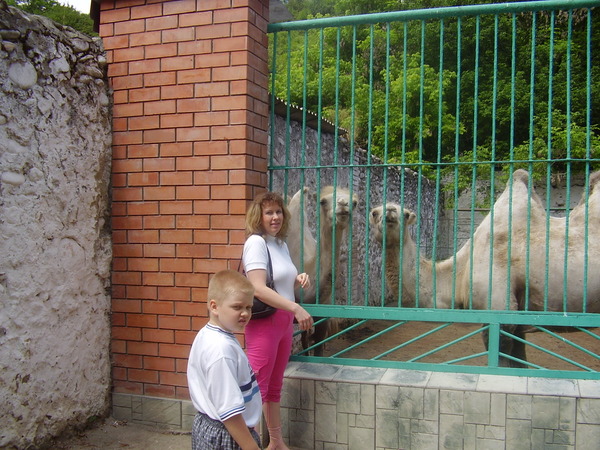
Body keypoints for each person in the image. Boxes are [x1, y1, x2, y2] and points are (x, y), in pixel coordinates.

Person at [242, 191, 314, 450]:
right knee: (256, 390)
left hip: (283, 323)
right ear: (258, 216)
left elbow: (277, 280)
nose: (275, 217)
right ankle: (248, 444)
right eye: (269, 212)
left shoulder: (279, 244)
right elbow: (258, 288)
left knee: (274, 387)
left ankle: (276, 442)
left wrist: (297, 278)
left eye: (279, 212)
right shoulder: (256, 243)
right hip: (265, 324)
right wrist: (296, 307)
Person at [187, 270, 263, 450]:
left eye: (249, 307)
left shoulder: (210, 334)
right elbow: (229, 412)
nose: (245, 313)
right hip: (229, 435)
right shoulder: (221, 350)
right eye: (237, 307)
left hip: (215, 428)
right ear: (214, 306)